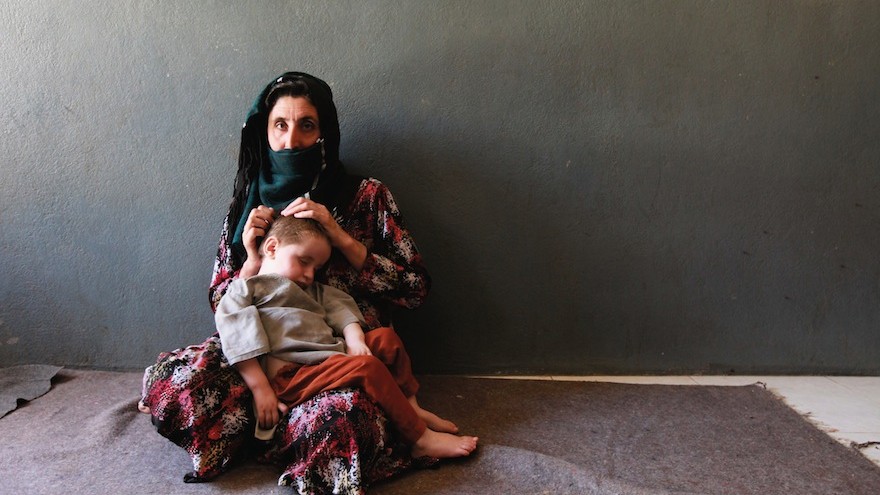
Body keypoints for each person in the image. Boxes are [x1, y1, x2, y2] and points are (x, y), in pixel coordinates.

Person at [140, 72, 458, 490]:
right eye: (280, 125)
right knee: (175, 381)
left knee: (338, 425)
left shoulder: (365, 196)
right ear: (265, 131)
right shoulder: (248, 203)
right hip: (261, 349)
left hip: (338, 354)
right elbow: (223, 301)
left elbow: (415, 288)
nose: (291, 141)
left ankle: (323, 427)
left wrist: (341, 238)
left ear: (324, 132)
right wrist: (252, 261)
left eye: (306, 125)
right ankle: (275, 419)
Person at [216, 215, 477, 458]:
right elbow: (236, 332)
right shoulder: (246, 289)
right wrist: (260, 388)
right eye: (303, 261)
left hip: (330, 357)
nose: (309, 275)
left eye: (315, 269)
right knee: (367, 366)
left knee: (386, 338)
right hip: (294, 374)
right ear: (272, 248)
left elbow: (342, 309)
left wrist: (355, 341)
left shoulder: (313, 290)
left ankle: (412, 407)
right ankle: (420, 440)